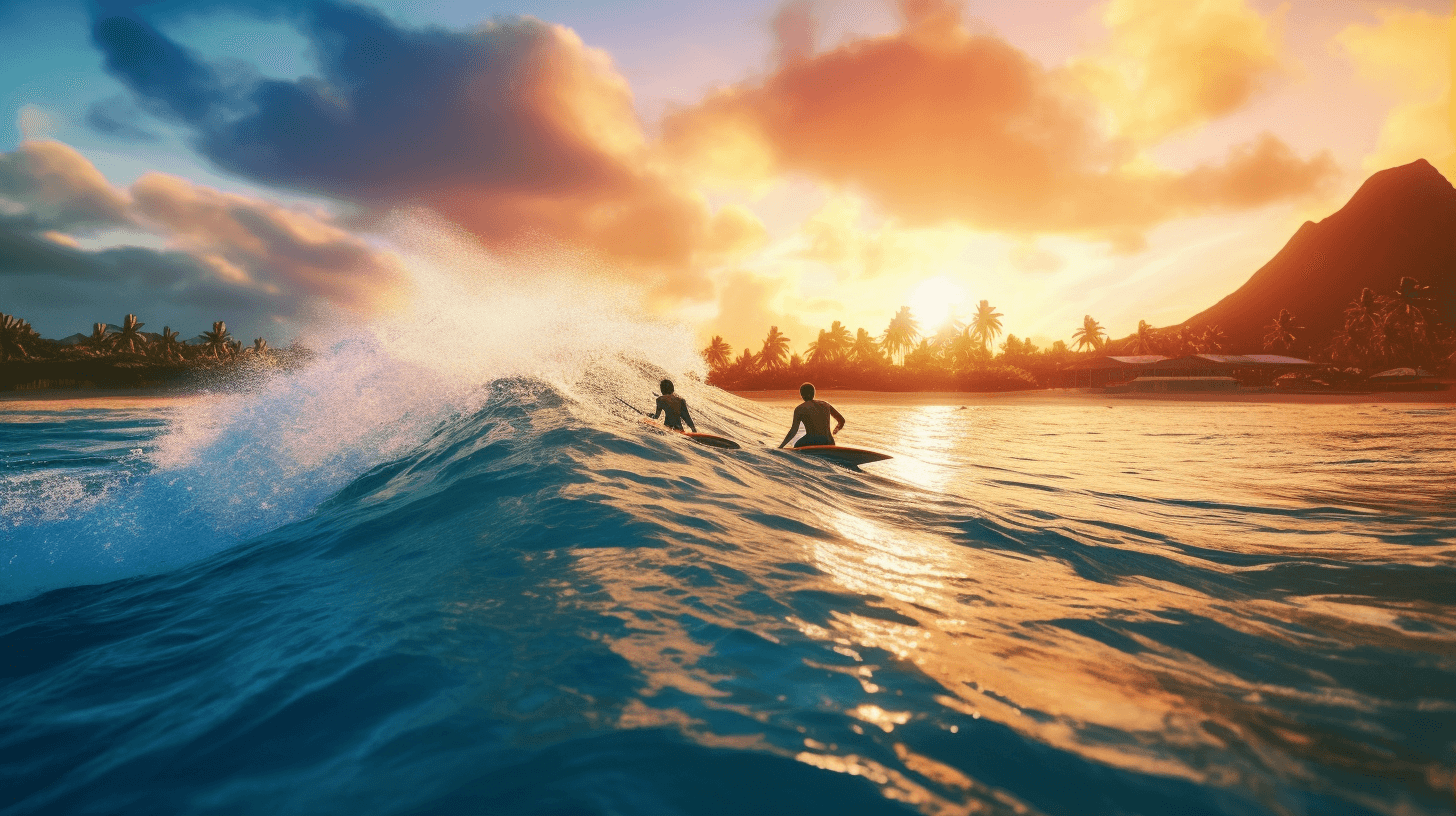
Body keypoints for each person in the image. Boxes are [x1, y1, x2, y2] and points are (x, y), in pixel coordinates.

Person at [778, 382, 844, 448]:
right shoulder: (825, 404)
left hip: (812, 441)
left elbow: (793, 431)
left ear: (801, 394)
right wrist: (835, 431)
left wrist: (781, 446)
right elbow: (841, 420)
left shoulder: (800, 408)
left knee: (796, 445)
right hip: (829, 441)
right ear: (814, 393)